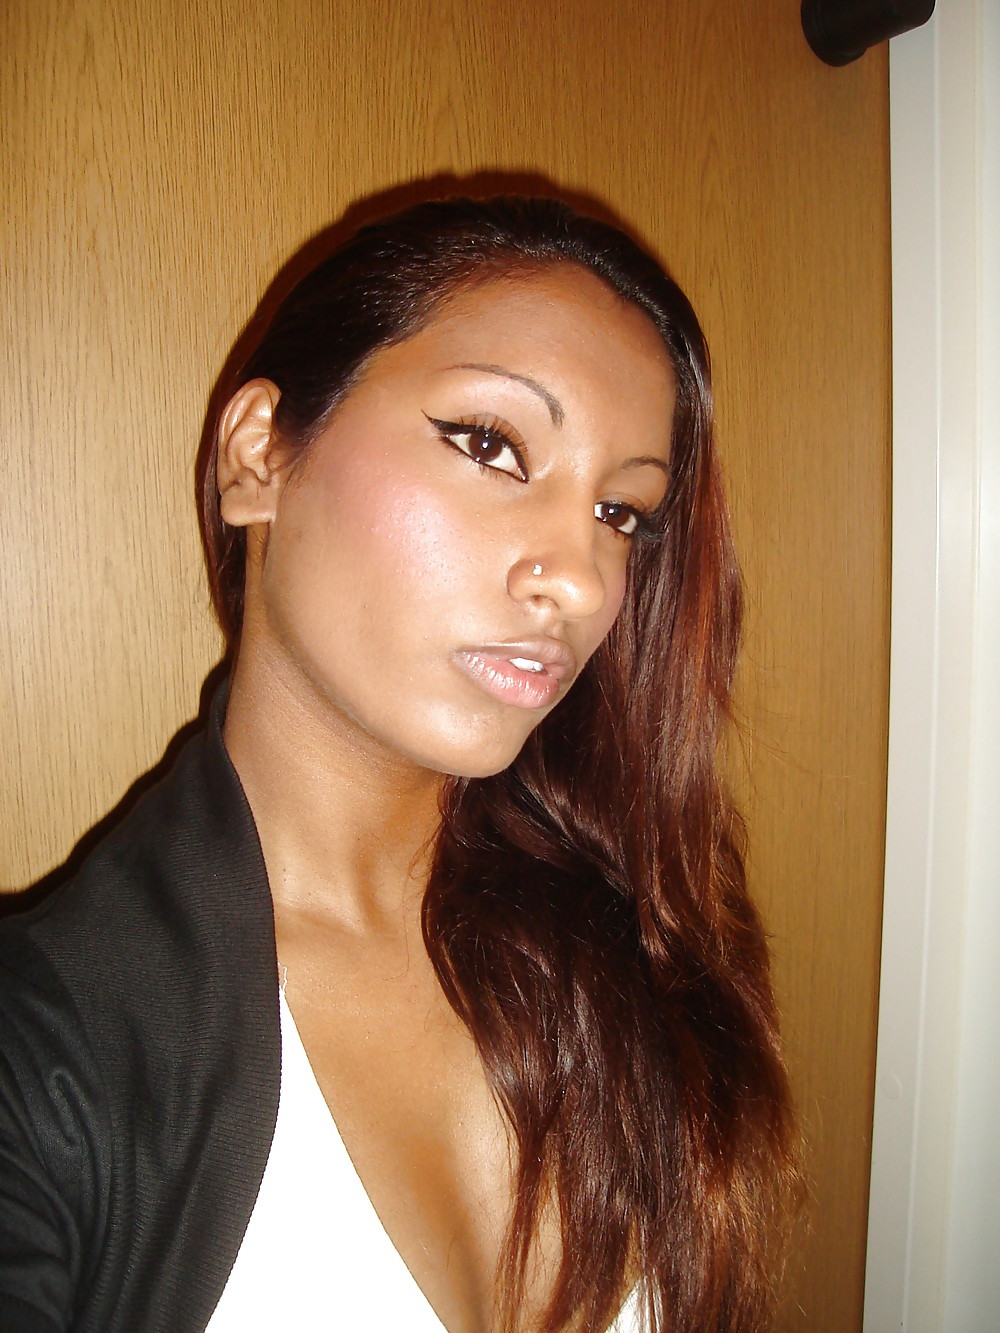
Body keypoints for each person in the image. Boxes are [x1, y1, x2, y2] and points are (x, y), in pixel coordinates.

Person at [0, 195, 799, 1333]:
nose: (580, 577)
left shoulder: (636, 948)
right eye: (491, 445)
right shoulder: (48, 1055)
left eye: (621, 511)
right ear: (258, 455)